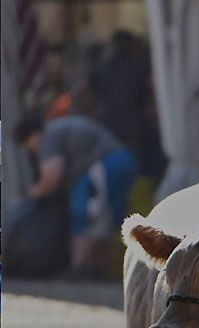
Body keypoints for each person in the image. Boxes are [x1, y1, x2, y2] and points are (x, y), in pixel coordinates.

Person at [14, 113, 139, 276]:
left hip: (106, 166)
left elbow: (52, 177)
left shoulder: (48, 137)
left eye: (27, 145)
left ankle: (79, 268)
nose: (30, 150)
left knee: (83, 215)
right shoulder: (59, 128)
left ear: (31, 136)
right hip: (123, 162)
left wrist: (33, 193)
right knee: (107, 218)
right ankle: (99, 267)